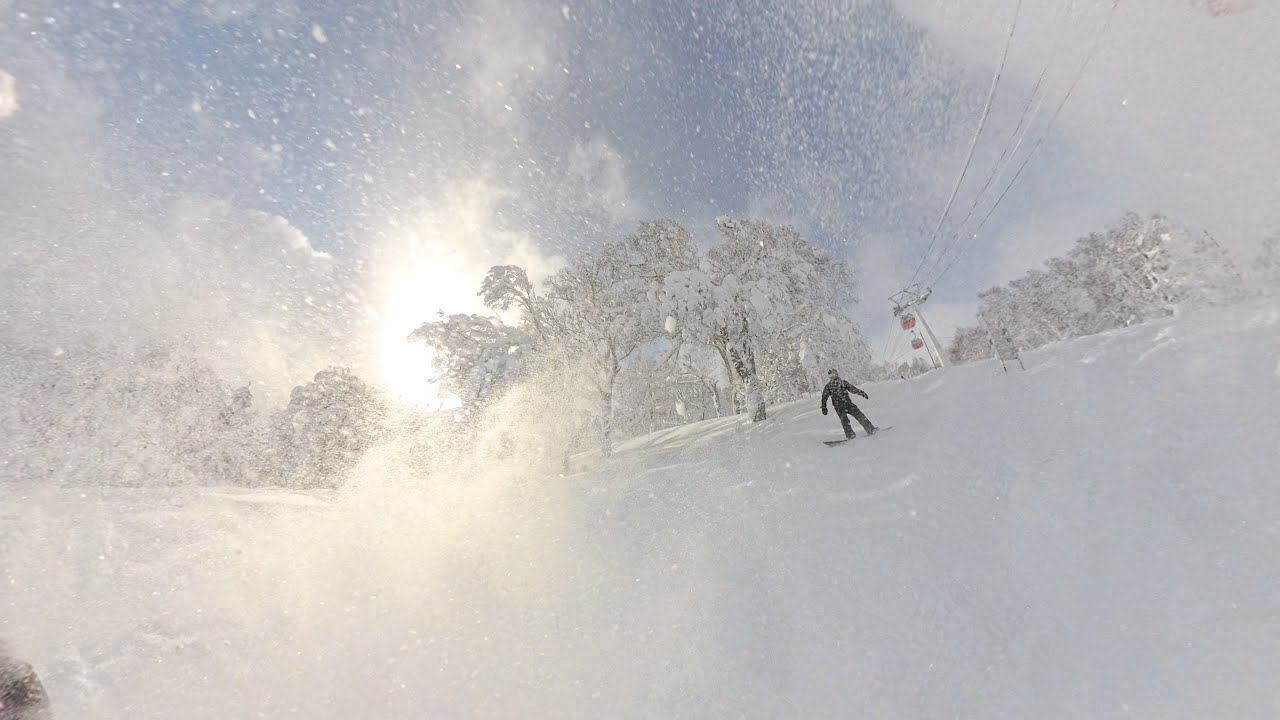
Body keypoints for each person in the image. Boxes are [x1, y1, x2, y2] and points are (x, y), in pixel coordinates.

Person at [820, 368, 878, 439]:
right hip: (839, 407)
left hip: (848, 404)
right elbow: (824, 397)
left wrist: (862, 393)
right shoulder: (828, 386)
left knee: (860, 416)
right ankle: (850, 435)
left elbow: (853, 389)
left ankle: (871, 429)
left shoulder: (843, 382)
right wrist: (824, 407)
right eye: (829, 375)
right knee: (844, 420)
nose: (830, 376)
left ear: (835, 374)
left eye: (831, 374)